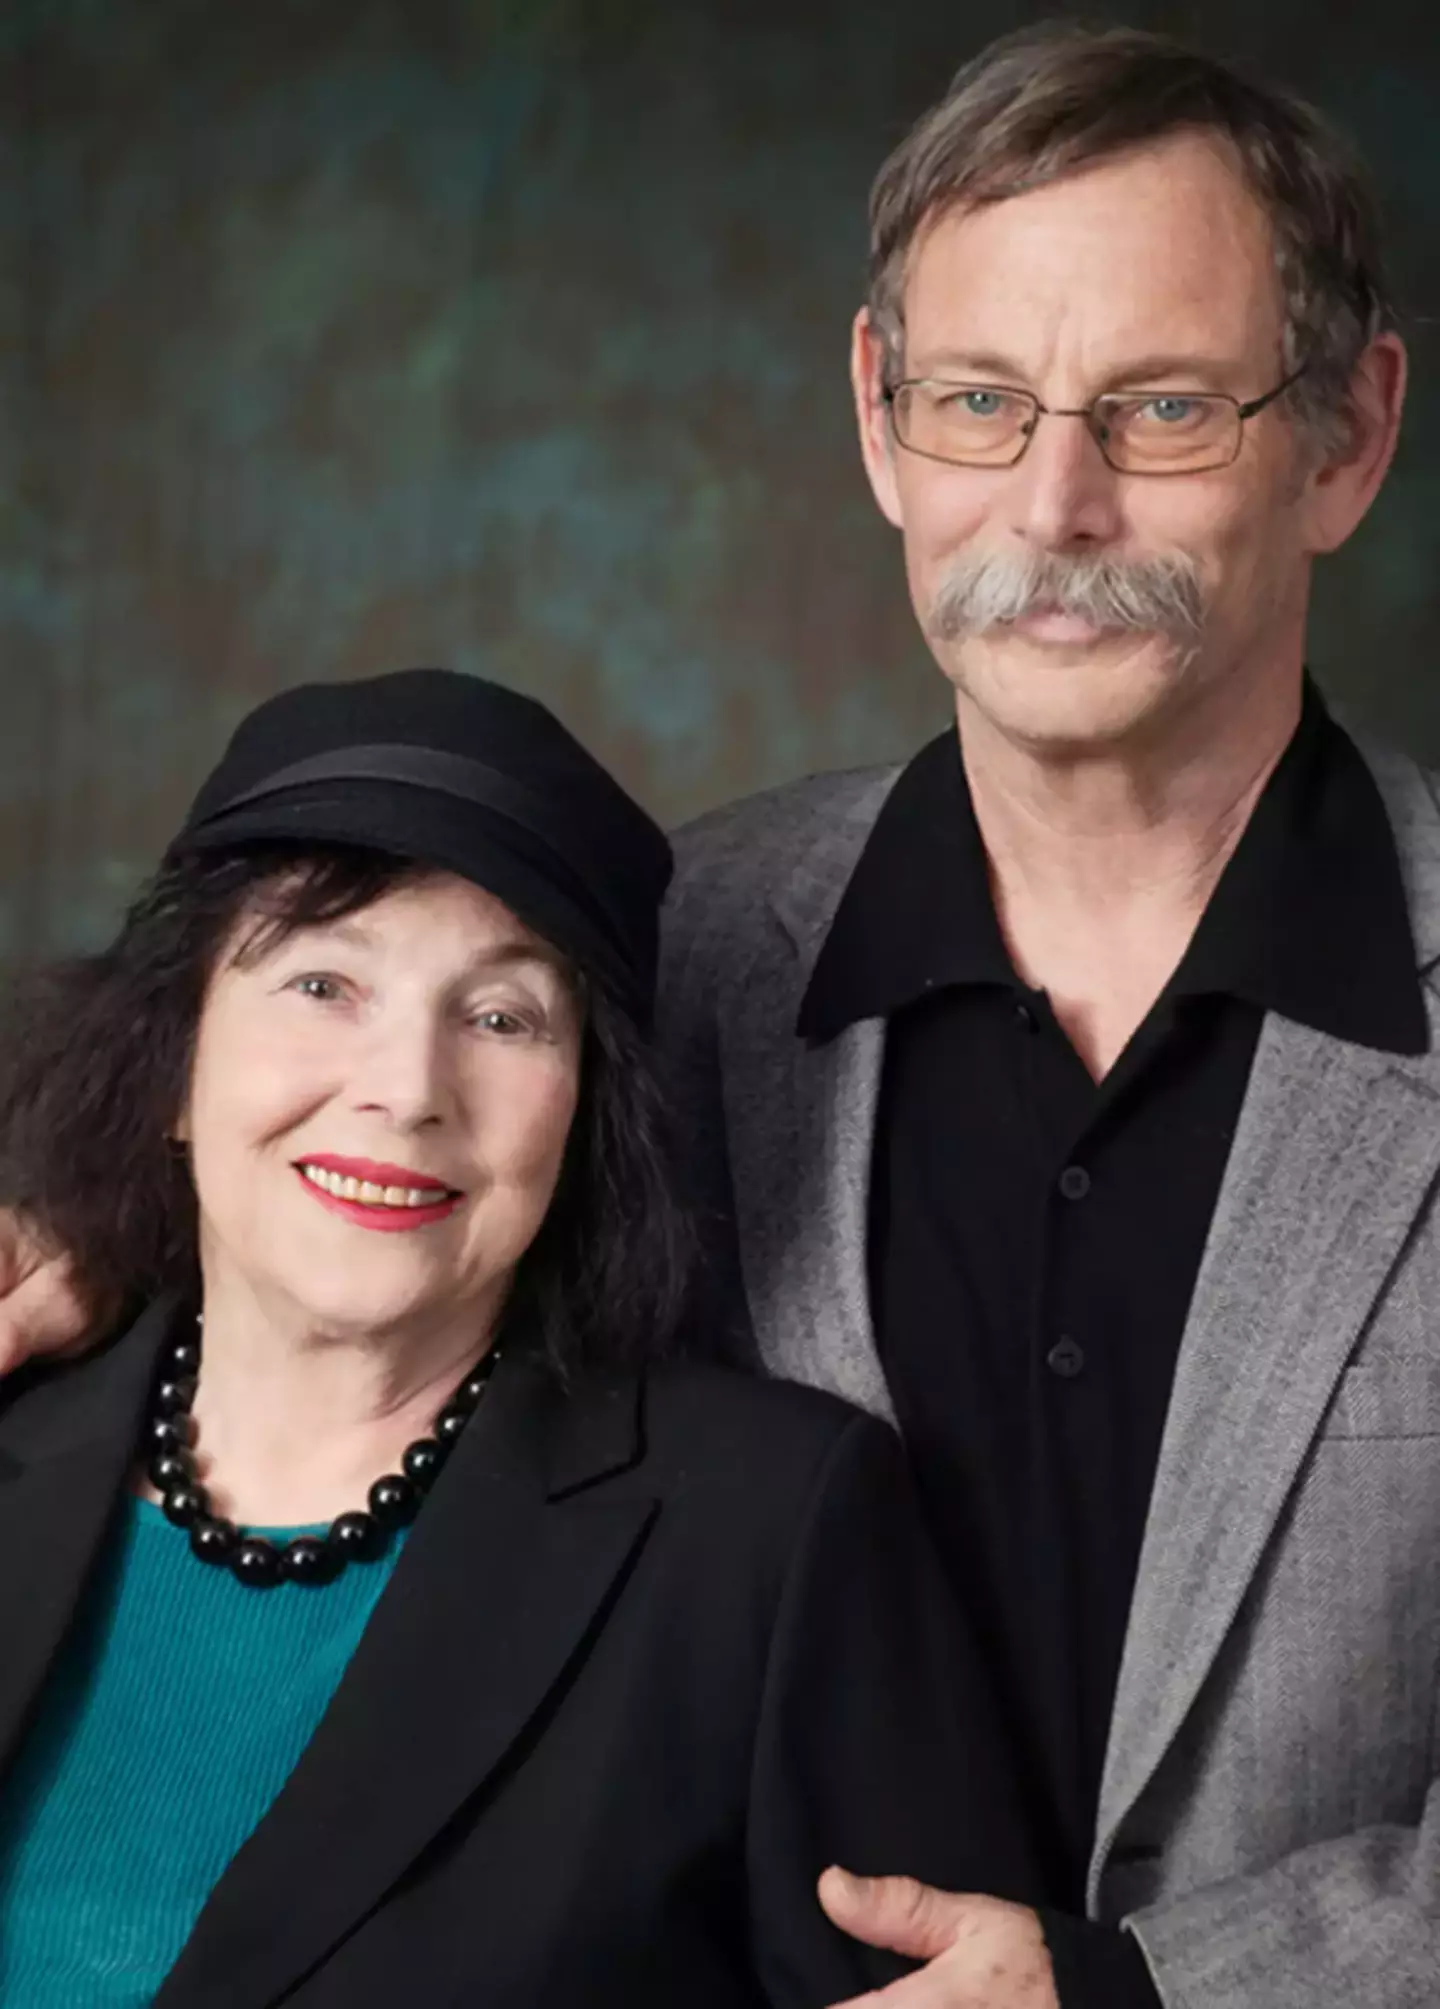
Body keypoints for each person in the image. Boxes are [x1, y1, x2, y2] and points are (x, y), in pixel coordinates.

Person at [659, 23, 1440, 2009]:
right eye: (983, 403)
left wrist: (1138, 1987)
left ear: (1346, 439)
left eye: (1162, 409)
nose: (1055, 504)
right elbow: (351, 1306)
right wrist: (87, 1258)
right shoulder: (671, 958)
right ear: (876, 415)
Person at [0, 667, 1036, 2008]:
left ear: (582, 1118)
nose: (407, 1090)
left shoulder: (769, 1536)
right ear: (175, 1066)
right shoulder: (21, 1418)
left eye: (501, 1018)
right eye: (323, 984)